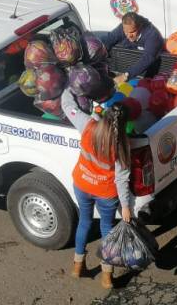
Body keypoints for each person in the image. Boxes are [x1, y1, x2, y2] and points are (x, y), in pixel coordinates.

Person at [61, 88, 132, 289]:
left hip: (82, 183)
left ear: (107, 115)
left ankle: (77, 266)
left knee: (84, 221)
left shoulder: (88, 125)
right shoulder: (122, 145)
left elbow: (68, 107)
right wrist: (125, 206)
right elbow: (121, 179)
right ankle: (106, 276)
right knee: (106, 230)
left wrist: (69, 88)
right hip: (106, 193)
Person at [101, 12, 164, 84]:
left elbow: (147, 58)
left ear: (140, 26)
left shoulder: (153, 35)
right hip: (127, 62)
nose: (129, 36)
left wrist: (125, 76)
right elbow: (108, 40)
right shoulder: (124, 27)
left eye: (132, 32)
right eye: (126, 32)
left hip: (150, 69)